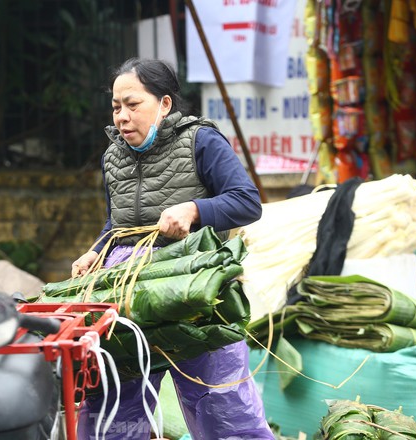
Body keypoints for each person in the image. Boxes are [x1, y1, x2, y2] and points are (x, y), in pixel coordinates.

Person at [72, 57, 274, 440]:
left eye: (133, 105)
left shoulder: (201, 140)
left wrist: (196, 209)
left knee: (220, 403)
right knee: (115, 397)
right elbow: (117, 225)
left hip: (193, 291)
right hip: (129, 293)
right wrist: (95, 251)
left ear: (164, 104)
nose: (122, 117)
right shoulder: (112, 157)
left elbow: (248, 202)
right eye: (116, 107)